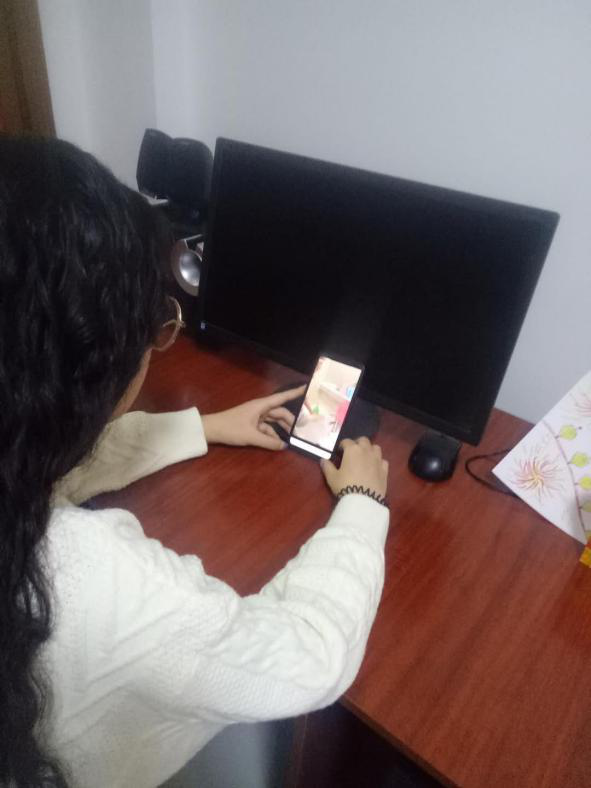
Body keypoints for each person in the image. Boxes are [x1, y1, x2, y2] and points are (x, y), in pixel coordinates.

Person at [0, 136, 390, 788]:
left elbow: (37, 455)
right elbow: (308, 659)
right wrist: (362, 507)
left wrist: (203, 426)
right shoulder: (94, 578)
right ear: (95, 366)